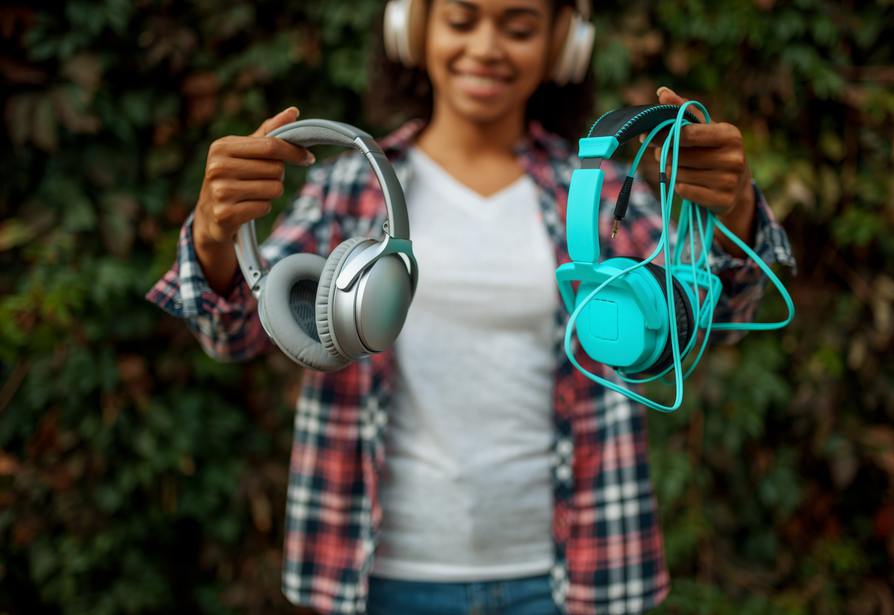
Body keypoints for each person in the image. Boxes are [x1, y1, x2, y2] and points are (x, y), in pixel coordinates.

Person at [147, 1, 795, 613]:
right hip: (378, 575)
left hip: (573, 577)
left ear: (562, 45)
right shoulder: (352, 185)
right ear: (413, 27)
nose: (485, 48)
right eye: (461, 19)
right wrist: (214, 237)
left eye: (517, 27)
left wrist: (732, 209)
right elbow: (234, 334)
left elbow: (714, 317)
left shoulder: (596, 194)